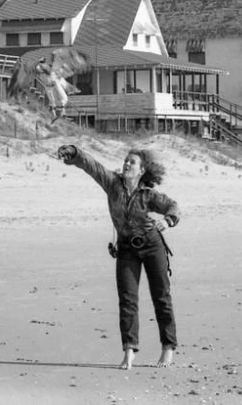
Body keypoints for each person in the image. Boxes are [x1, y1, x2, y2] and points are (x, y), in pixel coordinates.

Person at [57, 144, 180, 370]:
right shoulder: (112, 183)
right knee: (127, 300)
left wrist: (167, 220)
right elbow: (92, 166)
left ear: (142, 170)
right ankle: (129, 351)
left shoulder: (148, 195)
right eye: (126, 160)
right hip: (126, 249)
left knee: (161, 296)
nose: (126, 164)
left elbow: (172, 206)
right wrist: (74, 153)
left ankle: (168, 347)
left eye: (132, 162)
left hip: (152, 246)